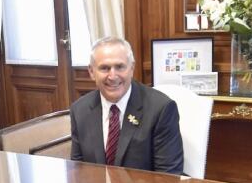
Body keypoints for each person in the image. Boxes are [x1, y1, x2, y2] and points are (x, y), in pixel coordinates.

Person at [70, 37, 183, 174]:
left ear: (132, 68)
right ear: (92, 72)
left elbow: (168, 178)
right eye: (104, 68)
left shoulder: (161, 109)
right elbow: (78, 170)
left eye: (120, 67)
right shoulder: (79, 110)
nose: (112, 76)